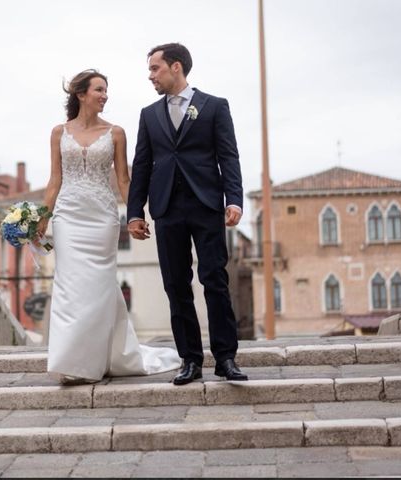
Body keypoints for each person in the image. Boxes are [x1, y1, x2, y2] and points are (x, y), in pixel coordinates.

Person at [37, 69, 181, 384]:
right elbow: (54, 181)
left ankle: (97, 358)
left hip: (102, 218)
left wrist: (135, 215)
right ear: (81, 94)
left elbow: (124, 180)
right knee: (68, 289)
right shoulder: (58, 133)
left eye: (106, 90)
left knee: (98, 288)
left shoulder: (115, 132)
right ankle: (72, 362)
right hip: (68, 218)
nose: (105, 95)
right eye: (99, 90)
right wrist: (41, 220)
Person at [127, 43, 248, 384]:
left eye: (155, 68)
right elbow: (142, 165)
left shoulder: (214, 106)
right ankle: (190, 360)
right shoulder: (149, 115)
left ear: (176, 67)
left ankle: (226, 358)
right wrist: (135, 211)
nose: (150, 75)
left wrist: (234, 199)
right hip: (166, 209)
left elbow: (229, 156)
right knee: (176, 285)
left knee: (215, 281)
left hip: (207, 204)